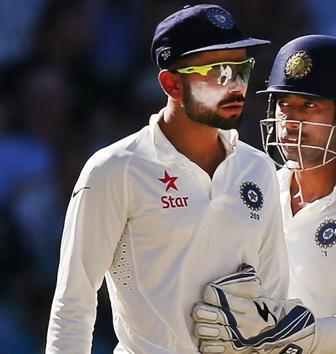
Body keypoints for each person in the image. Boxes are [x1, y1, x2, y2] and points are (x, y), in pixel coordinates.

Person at [45, 4, 289, 353]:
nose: (236, 85)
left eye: (242, 69)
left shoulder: (259, 168)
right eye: (218, 72)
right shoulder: (114, 168)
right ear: (171, 83)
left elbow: (275, 300)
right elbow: (74, 303)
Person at [191, 35, 336, 354]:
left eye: (309, 105)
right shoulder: (252, 192)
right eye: (283, 104)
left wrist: (285, 331)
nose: (291, 121)